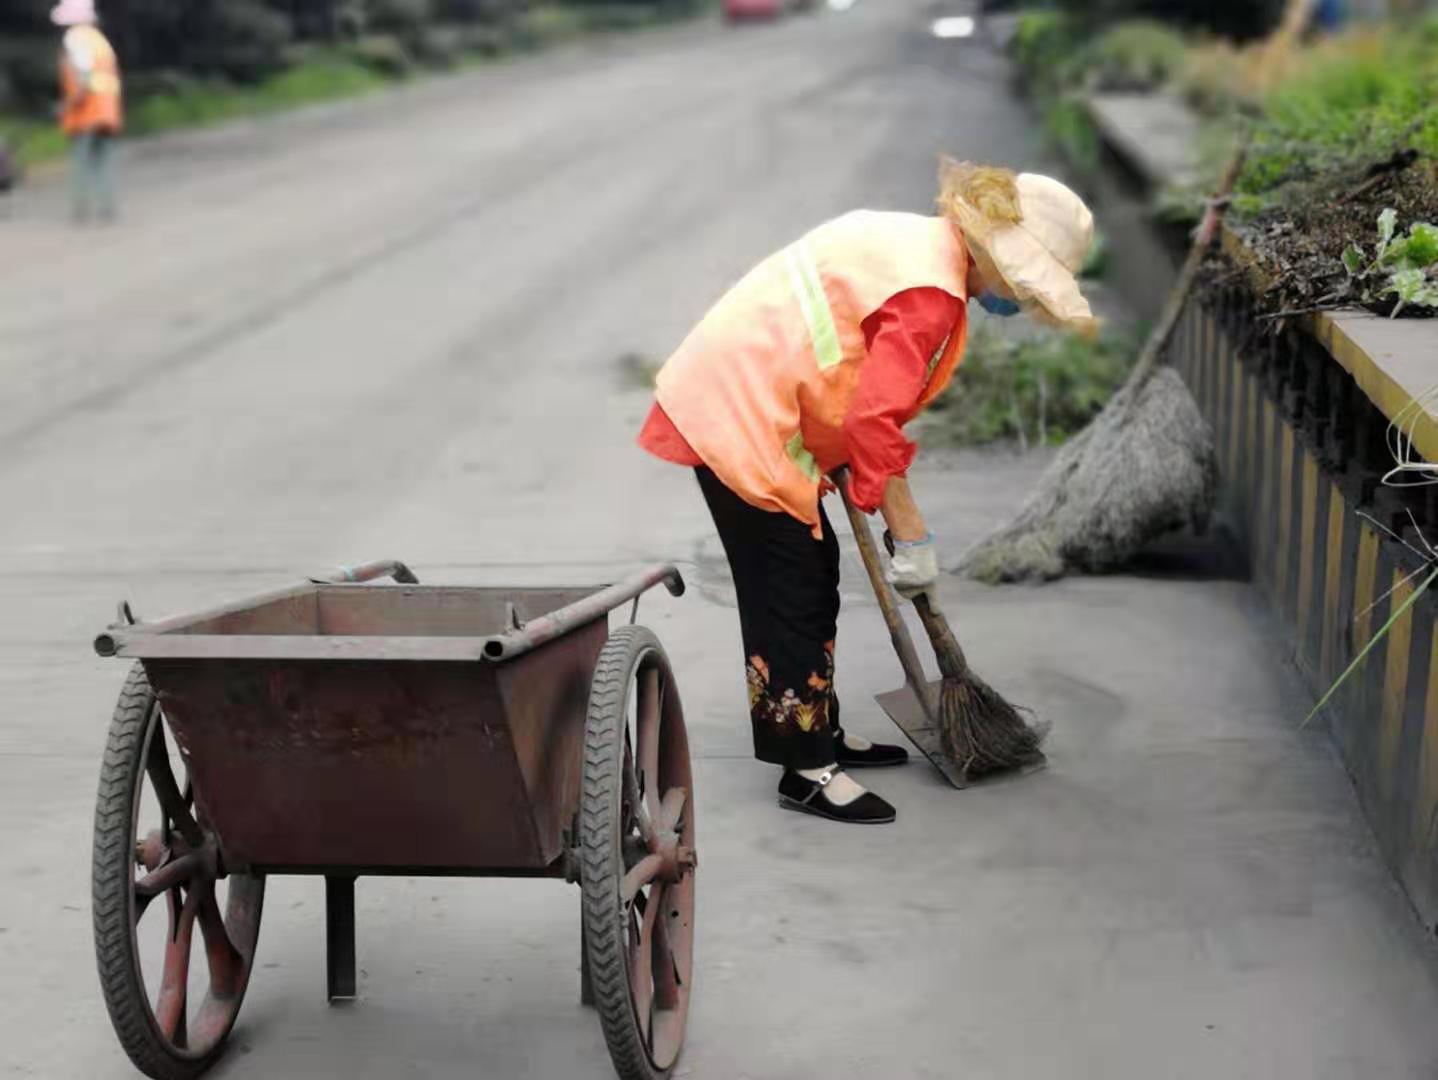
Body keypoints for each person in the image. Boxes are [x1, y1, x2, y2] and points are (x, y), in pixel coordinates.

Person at [638, 162, 1098, 825]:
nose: (1020, 301)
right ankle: (806, 770)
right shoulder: (930, 295)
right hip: (739, 412)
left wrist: (870, 479)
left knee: (813, 573)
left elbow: (854, 372)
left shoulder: (923, 250)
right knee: (790, 589)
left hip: (757, 398)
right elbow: (872, 421)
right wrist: (910, 533)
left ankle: (820, 730)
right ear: (1002, 256)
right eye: (1025, 287)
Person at [52, 0, 123, 223]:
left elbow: (81, 77)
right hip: (109, 109)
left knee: (81, 160)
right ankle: (107, 206)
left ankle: (80, 208)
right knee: (104, 160)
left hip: (87, 110)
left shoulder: (75, 38)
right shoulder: (100, 40)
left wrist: (68, 105)